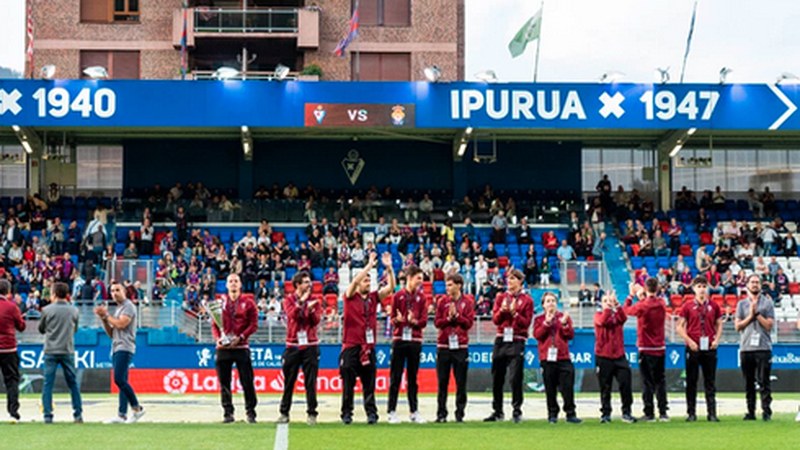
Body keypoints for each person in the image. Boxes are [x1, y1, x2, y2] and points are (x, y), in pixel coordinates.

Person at [340, 251, 395, 425]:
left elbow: (390, 288)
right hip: (351, 346)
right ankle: (347, 413)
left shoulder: (373, 298)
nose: (367, 282)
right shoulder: (349, 297)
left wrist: (389, 269)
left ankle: (371, 413)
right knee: (348, 384)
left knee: (369, 383)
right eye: (365, 280)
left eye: (369, 280)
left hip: (368, 347)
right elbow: (354, 282)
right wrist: (369, 265)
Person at [484, 270, 533, 423]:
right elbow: (495, 320)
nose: (509, 282)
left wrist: (515, 314)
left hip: (517, 340)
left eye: (513, 279)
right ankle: (497, 411)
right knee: (497, 377)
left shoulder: (527, 300)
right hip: (501, 339)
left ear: (520, 281)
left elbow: (526, 323)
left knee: (515, 377)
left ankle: (517, 410)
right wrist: (502, 311)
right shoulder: (500, 297)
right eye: (508, 279)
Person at [94, 282, 145, 423]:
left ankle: (137, 408)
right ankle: (122, 414)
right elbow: (112, 332)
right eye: (112, 291)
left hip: (125, 346)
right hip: (117, 346)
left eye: (117, 290)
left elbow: (121, 324)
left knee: (119, 379)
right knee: (122, 381)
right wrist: (104, 319)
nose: (114, 293)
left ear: (124, 292)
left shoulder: (128, 306)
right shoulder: (119, 309)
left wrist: (107, 316)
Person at [211, 273, 259, 424]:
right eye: (230, 281)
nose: (233, 284)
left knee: (247, 381)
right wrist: (218, 339)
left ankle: (250, 412)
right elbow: (214, 324)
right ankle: (227, 413)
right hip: (223, 348)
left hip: (241, 347)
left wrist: (242, 337)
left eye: (236, 281)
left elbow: (253, 324)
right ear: (226, 285)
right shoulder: (219, 303)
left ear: (240, 284)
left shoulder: (249, 303)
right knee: (224, 382)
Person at [277, 271, 322, 425]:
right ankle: (284, 412)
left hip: (310, 344)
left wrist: (310, 311)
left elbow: (316, 321)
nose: (309, 285)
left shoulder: (315, 300)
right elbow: (292, 315)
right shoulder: (288, 300)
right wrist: (302, 303)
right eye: (305, 282)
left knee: (311, 381)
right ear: (297, 285)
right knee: (289, 381)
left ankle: (312, 413)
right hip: (293, 344)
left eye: (310, 282)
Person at [676, 276, 723, 422]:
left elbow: (719, 323)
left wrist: (716, 339)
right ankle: (691, 413)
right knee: (691, 381)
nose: (702, 289)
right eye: (699, 286)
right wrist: (689, 341)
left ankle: (712, 413)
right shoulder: (687, 306)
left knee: (710, 381)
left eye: (704, 286)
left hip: (709, 347)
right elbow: (679, 327)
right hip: (693, 347)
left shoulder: (714, 306)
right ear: (694, 289)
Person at [624, 278, 669, 421]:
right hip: (660, 347)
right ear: (657, 288)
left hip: (645, 347)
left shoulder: (642, 306)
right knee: (660, 381)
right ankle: (663, 412)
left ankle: (649, 412)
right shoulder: (661, 303)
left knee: (647, 382)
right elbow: (650, 300)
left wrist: (631, 295)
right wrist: (641, 293)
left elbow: (627, 310)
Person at [533, 292, 582, 424]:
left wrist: (565, 324)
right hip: (547, 358)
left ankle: (570, 413)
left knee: (567, 387)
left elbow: (570, 335)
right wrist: (547, 323)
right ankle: (552, 414)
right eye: (548, 301)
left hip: (563, 357)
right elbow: (537, 335)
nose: (551, 303)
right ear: (543, 305)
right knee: (550, 388)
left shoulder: (563, 317)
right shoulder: (539, 319)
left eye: (553, 301)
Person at [387, 265, 427, 424]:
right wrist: (397, 320)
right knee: (395, 377)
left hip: (415, 341)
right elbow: (392, 319)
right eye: (418, 278)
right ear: (410, 278)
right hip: (399, 340)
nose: (420, 282)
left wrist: (414, 321)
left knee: (413, 378)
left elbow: (424, 321)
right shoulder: (397, 296)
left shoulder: (422, 298)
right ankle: (391, 411)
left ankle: (414, 411)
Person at [39, 282, 83, 424]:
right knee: (73, 383)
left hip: (51, 350)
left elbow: (41, 329)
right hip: (67, 349)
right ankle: (78, 414)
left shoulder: (46, 310)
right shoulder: (74, 310)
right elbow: (75, 329)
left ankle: (47, 415)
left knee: (48, 384)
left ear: (54, 294)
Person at [434, 273, 475, 423]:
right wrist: (447, 319)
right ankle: (441, 414)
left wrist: (457, 317)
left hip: (461, 346)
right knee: (442, 382)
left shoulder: (468, 302)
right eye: (446, 285)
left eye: (450, 285)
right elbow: (437, 322)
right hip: (444, 345)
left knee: (461, 382)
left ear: (459, 285)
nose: (447, 288)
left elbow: (469, 323)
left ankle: (460, 413)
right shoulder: (441, 302)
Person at [734, 274, 775, 421]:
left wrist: (757, 314)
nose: (755, 284)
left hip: (763, 347)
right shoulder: (741, 304)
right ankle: (750, 411)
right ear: (747, 285)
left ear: (760, 285)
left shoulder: (767, 303)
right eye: (752, 282)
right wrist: (750, 316)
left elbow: (769, 325)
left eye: (757, 282)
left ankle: (766, 411)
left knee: (764, 381)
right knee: (748, 382)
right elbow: (738, 326)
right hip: (746, 348)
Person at [594, 292, 635, 424]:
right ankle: (606, 414)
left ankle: (627, 412)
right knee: (605, 387)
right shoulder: (598, 316)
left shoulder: (616, 316)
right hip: (603, 356)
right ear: (601, 303)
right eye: (605, 300)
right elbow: (603, 321)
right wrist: (607, 308)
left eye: (609, 300)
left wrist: (617, 304)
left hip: (619, 356)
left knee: (625, 384)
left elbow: (623, 318)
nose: (608, 302)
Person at [0, 279, 25, 422]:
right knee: (12, 381)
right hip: (8, 348)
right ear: (8, 292)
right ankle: (13, 412)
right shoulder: (12, 307)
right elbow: (21, 326)